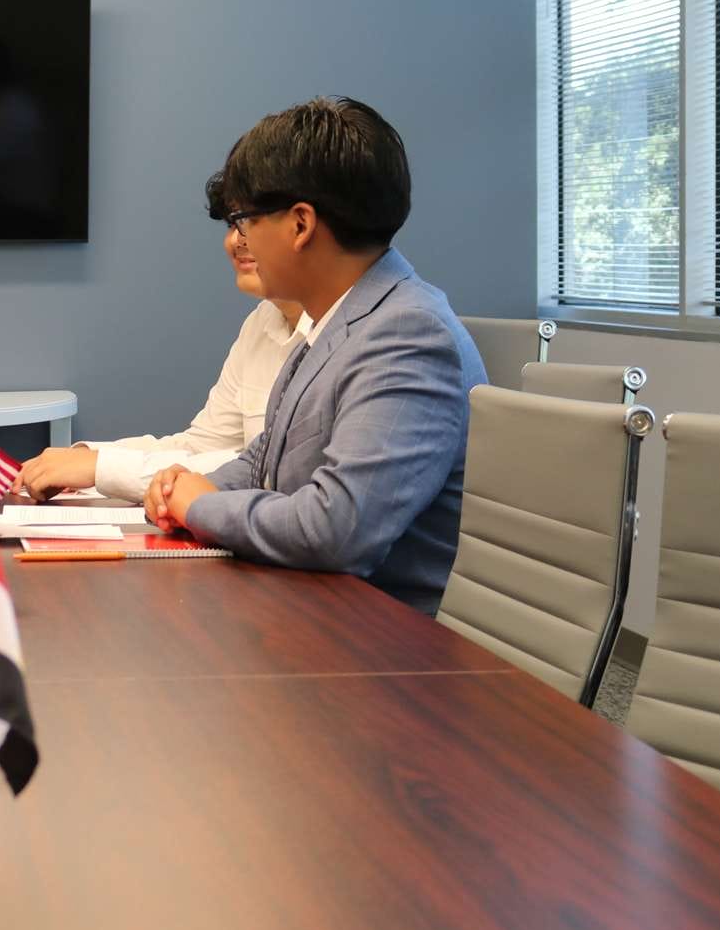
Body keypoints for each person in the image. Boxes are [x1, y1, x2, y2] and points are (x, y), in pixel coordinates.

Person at [142, 97, 485, 615]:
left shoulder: (409, 335)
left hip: (386, 650)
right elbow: (269, 454)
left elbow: (338, 528)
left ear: (300, 225)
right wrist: (197, 486)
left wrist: (202, 505)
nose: (238, 239)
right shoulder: (334, 318)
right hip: (310, 612)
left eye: (245, 219)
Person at [13, 224, 302, 502]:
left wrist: (101, 468)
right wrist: (86, 458)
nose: (236, 241)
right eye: (234, 224)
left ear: (303, 225)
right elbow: (202, 447)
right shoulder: (260, 322)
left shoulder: (339, 338)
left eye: (251, 220)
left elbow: (265, 472)